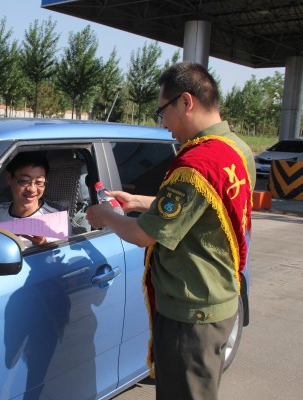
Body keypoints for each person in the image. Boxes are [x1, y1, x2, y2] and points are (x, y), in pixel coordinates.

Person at [86, 61, 256, 400]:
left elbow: (143, 236)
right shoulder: (235, 149)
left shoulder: (197, 163)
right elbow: (201, 206)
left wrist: (106, 215)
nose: (163, 123)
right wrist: (137, 201)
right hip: (219, 296)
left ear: (186, 102)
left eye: (162, 111)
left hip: (190, 313)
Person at [0, 151, 59, 247]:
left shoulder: (56, 220)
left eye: (39, 182)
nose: (32, 189)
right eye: (24, 181)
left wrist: (44, 246)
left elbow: (62, 255)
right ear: (9, 178)